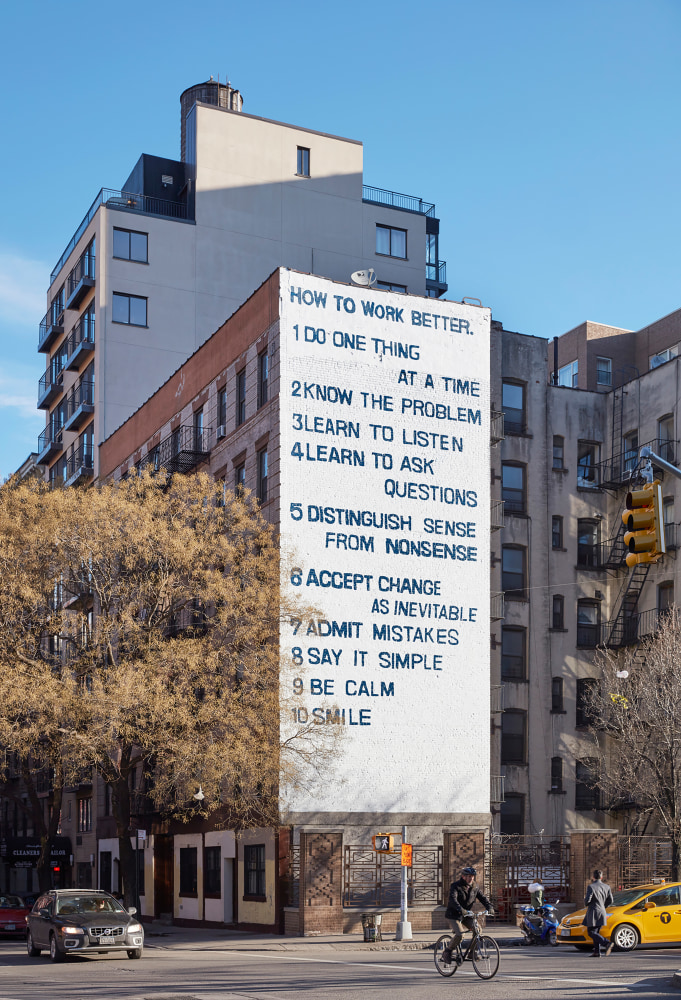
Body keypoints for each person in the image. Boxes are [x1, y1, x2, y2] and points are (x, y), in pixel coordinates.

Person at [441, 866, 492, 965]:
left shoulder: (475, 887)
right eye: (469, 876)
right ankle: (447, 952)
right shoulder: (456, 886)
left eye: (472, 876)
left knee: (478, 930)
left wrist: (490, 907)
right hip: (454, 914)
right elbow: (453, 900)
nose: (471, 878)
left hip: (466, 914)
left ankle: (472, 952)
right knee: (460, 934)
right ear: (463, 876)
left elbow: (483, 898)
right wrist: (460, 909)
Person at [585, 869, 614, 957]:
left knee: (590, 932)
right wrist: (603, 906)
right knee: (596, 931)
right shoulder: (607, 887)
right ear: (601, 877)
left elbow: (587, 901)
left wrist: (586, 901)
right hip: (602, 911)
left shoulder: (591, 887)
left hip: (593, 911)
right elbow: (611, 900)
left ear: (593, 877)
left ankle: (606, 943)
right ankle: (597, 952)